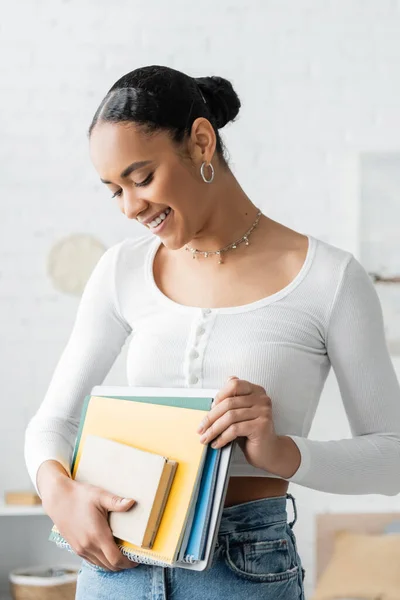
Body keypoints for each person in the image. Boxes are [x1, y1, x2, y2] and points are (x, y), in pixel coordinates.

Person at [24, 65, 400, 600]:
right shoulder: (121, 270)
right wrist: (58, 491)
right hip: (118, 564)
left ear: (201, 142)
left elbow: (393, 456)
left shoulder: (329, 279)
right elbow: (52, 421)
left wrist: (281, 452)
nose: (131, 207)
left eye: (141, 177)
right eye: (114, 191)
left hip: (243, 569)